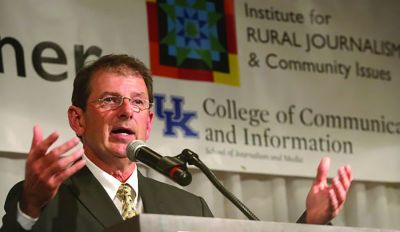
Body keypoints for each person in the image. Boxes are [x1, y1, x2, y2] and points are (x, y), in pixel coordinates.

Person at [0, 54, 352, 232]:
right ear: (77, 119)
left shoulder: (189, 208)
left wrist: (312, 223)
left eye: (138, 103)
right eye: (109, 100)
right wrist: (29, 208)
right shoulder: (40, 199)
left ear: (149, 122)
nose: (126, 112)